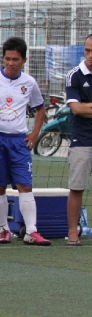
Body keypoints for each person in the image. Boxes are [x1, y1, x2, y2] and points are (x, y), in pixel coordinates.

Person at [0, 37, 51, 245]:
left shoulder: (29, 83)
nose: (11, 63)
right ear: (3, 58)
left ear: (24, 60)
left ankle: (31, 231)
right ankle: (4, 230)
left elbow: (40, 108)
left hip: (18, 141)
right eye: (7, 59)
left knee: (24, 185)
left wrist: (34, 133)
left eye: (15, 59)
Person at [64, 34, 92, 246]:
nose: (90, 56)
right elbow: (76, 108)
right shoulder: (74, 75)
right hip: (82, 140)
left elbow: (84, 108)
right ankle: (73, 232)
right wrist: (83, 108)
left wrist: (87, 107)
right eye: (87, 51)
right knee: (77, 187)